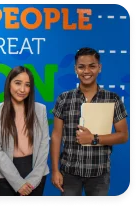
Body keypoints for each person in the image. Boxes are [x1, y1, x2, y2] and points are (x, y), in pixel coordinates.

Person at [51, 47, 129, 196]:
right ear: (75, 69)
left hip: (99, 173)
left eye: (92, 66)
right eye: (81, 67)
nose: (86, 71)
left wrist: (93, 138)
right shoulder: (64, 98)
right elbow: (56, 136)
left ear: (99, 68)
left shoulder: (112, 99)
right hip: (69, 172)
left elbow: (123, 135)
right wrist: (55, 170)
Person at [0, 66, 50, 196]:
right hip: (5, 174)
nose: (22, 89)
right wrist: (18, 182)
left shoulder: (40, 110)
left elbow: (44, 146)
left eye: (27, 85)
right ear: (9, 84)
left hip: (35, 172)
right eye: (17, 83)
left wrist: (33, 180)